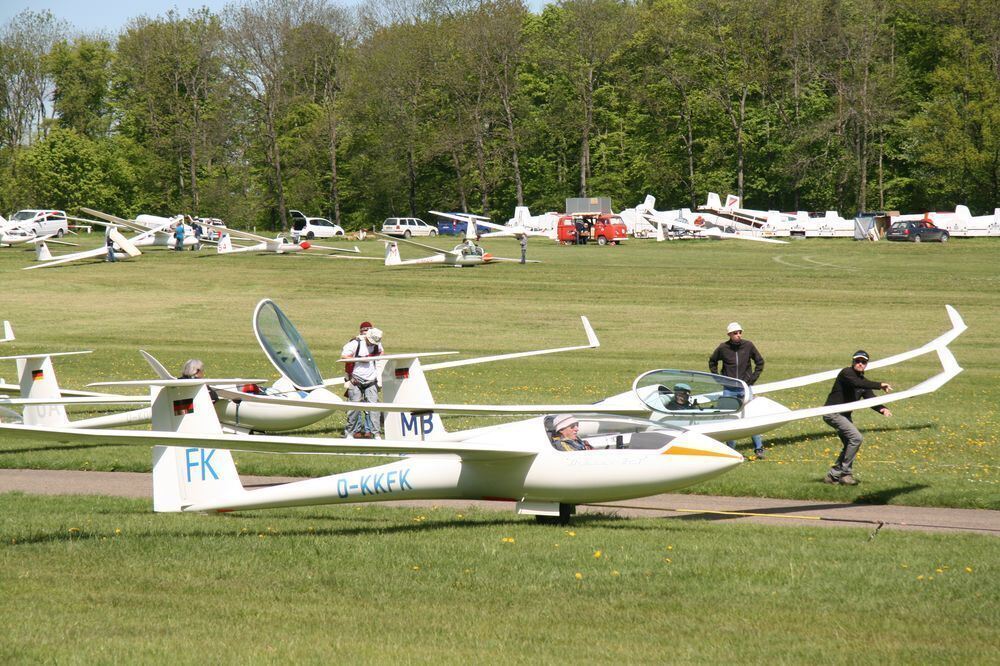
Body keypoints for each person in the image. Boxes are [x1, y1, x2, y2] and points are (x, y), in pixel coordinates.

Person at [822, 350, 893, 486]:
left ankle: (833, 475)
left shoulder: (862, 381)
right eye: (857, 361)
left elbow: (870, 398)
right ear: (853, 362)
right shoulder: (846, 373)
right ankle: (846, 474)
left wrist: (882, 409)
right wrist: (879, 385)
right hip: (833, 413)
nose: (860, 364)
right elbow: (857, 383)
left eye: (863, 362)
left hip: (844, 415)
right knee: (856, 438)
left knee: (850, 443)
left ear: (866, 364)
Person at [709, 321, 767, 458]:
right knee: (730, 420)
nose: (738, 335)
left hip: (745, 388)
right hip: (729, 389)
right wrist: (719, 379)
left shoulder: (749, 345)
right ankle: (731, 451)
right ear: (729, 334)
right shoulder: (723, 348)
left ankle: (759, 449)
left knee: (751, 417)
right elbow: (712, 362)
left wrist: (751, 380)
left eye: (740, 332)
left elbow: (760, 362)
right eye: (735, 333)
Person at [342, 321, 383, 439]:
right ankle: (350, 432)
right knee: (353, 408)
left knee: (374, 408)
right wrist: (360, 359)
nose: (372, 344)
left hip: (371, 380)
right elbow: (344, 357)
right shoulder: (355, 343)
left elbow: (381, 353)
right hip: (355, 380)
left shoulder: (377, 343)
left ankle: (376, 433)